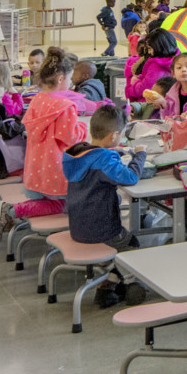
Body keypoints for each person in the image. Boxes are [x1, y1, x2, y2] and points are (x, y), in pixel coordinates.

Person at [0, 48, 87, 240]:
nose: (70, 83)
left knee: (47, 200)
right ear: (60, 79)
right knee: (58, 205)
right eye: (69, 78)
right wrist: (83, 128)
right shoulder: (65, 106)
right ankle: (11, 211)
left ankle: (12, 212)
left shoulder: (38, 100)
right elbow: (71, 138)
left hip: (37, 165)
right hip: (57, 167)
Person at [63, 105, 148, 308]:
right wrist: (140, 155)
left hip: (78, 226)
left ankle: (109, 281)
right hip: (101, 228)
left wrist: (114, 152)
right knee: (131, 242)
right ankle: (118, 284)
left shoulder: (77, 152)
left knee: (119, 243)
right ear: (113, 136)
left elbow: (97, 166)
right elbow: (130, 177)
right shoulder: (103, 159)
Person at [124, 28, 179, 102]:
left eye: (150, 49)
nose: (149, 52)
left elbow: (144, 89)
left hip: (149, 105)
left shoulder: (156, 66)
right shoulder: (177, 59)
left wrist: (134, 83)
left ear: (158, 47)